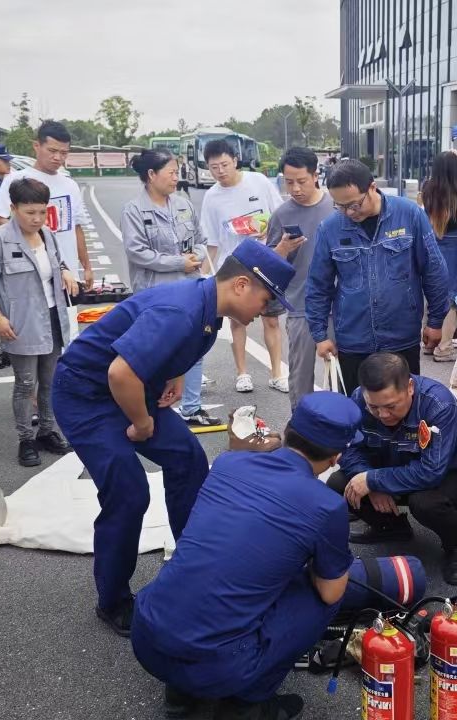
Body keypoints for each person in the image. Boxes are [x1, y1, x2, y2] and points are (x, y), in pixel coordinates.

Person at [52, 239, 296, 636]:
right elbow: (119, 374)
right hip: (88, 396)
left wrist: (174, 374)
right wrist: (144, 424)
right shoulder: (181, 310)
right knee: (128, 492)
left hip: (135, 386)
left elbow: (180, 347)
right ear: (240, 285)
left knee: (188, 459)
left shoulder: (207, 306)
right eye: (266, 299)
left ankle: (193, 563)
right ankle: (112, 600)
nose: (265, 312)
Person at [133, 392, 360, 720]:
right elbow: (330, 590)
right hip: (217, 667)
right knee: (323, 594)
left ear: (287, 429)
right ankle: (250, 704)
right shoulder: (327, 506)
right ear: (336, 457)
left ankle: (181, 694)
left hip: (148, 638)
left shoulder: (228, 462)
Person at [326, 353, 457, 585]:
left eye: (391, 406)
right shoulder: (359, 399)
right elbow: (348, 450)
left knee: (426, 503)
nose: (383, 415)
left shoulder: (439, 404)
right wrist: (369, 480)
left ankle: (455, 544)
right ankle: (391, 526)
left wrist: (373, 480)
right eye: (374, 408)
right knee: (339, 485)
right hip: (393, 467)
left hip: (450, 475)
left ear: (409, 387)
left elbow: (431, 471)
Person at [306, 159, 450, 395]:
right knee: (357, 411)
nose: (348, 213)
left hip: (401, 337)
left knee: (402, 407)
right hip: (353, 340)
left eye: (354, 205)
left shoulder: (410, 215)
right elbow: (318, 286)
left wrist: (435, 322)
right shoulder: (330, 228)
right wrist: (320, 336)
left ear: (372, 187)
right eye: (339, 206)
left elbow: (434, 270)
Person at [0, 178, 79, 467]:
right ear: (13, 208)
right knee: (25, 384)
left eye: (42, 212)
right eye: (29, 212)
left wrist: (66, 271)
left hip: (53, 319)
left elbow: (57, 262)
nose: (37, 218)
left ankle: (47, 431)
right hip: (20, 324)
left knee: (49, 381)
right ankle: (25, 439)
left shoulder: (47, 235)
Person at [120, 148, 217, 428]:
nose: (177, 178)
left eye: (178, 172)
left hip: (189, 290)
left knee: (193, 349)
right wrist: (178, 263)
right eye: (172, 172)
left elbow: (200, 239)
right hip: (156, 294)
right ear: (151, 175)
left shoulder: (184, 204)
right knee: (158, 352)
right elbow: (137, 252)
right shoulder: (134, 211)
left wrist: (195, 257)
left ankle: (193, 407)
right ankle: (155, 408)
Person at [198, 139, 287, 394]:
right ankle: (242, 373)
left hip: (265, 263)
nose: (220, 171)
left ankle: (277, 373)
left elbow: (279, 216)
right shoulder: (212, 197)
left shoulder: (258, 181)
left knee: (271, 320)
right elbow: (212, 242)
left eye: (224, 164)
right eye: (214, 167)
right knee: (237, 322)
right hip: (234, 266)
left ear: (235, 160)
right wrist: (205, 274)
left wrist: (263, 228)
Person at [267, 147, 336, 409]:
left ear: (316, 175)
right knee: (300, 377)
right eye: (289, 182)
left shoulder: (336, 208)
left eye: (301, 181)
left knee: (342, 376)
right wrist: (283, 249)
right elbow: (269, 265)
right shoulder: (282, 215)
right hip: (300, 306)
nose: (295, 188)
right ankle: (301, 435)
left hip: (340, 304)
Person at [0, 121, 95, 288]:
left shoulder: (70, 185)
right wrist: (28, 237)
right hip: (31, 273)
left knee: (68, 314)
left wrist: (87, 266)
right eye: (52, 151)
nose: (58, 157)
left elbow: (76, 228)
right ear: (37, 146)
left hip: (68, 275)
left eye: (64, 153)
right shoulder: (16, 180)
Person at [422, 150, 457, 362]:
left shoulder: (427, 190)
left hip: (433, 242)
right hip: (455, 247)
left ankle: (429, 341)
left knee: (434, 292)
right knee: (453, 296)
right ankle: (443, 346)